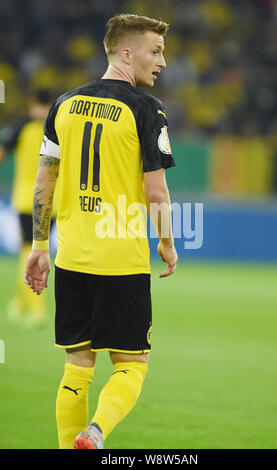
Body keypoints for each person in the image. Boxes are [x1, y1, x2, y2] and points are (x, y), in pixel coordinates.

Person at [24, 13, 178, 449]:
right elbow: (157, 193)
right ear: (126, 53)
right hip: (122, 261)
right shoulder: (147, 110)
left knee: (77, 367)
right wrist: (167, 243)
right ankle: (96, 431)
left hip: (70, 258)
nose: (162, 62)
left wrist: (39, 246)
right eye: (156, 51)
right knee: (132, 364)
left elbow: (43, 182)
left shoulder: (64, 103)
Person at [0, 88, 57, 327]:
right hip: (54, 200)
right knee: (36, 248)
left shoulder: (21, 125)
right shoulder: (58, 126)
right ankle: (21, 303)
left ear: (31, 101)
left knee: (30, 249)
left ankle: (35, 307)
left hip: (27, 198)